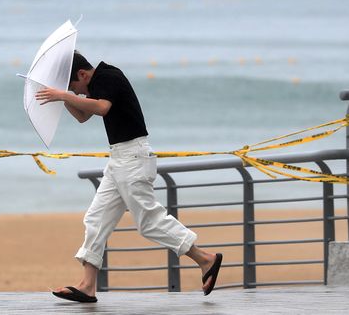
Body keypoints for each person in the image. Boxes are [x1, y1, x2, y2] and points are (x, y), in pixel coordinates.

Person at [35, 51, 222, 303]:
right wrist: (61, 96)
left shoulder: (108, 76)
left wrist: (63, 94)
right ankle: (88, 286)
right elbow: (82, 116)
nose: (78, 92)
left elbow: (101, 108)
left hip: (133, 158)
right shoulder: (96, 82)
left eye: (75, 86)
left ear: (82, 74)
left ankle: (205, 258)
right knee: (96, 218)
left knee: (149, 222)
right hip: (120, 159)